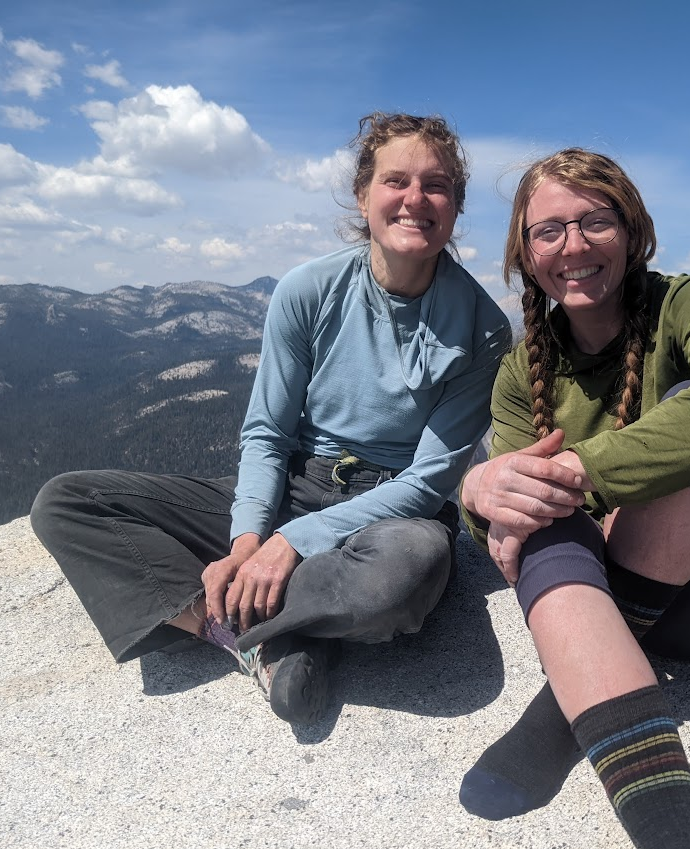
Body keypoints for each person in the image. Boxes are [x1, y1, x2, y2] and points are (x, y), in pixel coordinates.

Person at [31, 112, 510, 726]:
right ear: (364, 196)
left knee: (397, 582)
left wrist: (291, 543)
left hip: (392, 512)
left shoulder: (482, 328)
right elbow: (267, 433)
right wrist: (250, 539)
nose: (415, 199)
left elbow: (426, 485)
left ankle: (246, 618)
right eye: (396, 181)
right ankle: (258, 636)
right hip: (296, 482)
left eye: (436, 185)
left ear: (454, 206)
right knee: (68, 502)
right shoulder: (307, 290)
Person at [456, 148, 690, 849]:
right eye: (548, 232)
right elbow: (508, 530)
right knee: (525, 493)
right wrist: (482, 491)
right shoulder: (521, 371)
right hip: (589, 599)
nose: (571, 247)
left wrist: (580, 471)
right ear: (524, 253)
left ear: (632, 233)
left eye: (593, 222)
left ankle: (564, 707)